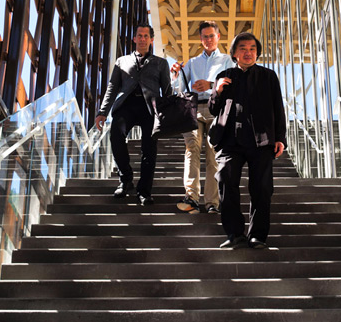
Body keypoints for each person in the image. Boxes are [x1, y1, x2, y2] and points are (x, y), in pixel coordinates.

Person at [208, 33, 286, 249]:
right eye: (243, 48)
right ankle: (234, 234)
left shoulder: (268, 76)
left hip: (261, 140)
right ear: (234, 53)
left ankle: (257, 236)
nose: (248, 52)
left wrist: (280, 138)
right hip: (229, 140)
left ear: (257, 53)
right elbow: (214, 109)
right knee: (225, 179)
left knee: (261, 187)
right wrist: (217, 91)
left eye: (252, 48)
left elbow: (278, 108)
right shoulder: (224, 75)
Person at [95, 24, 172, 205]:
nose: (143, 39)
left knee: (149, 150)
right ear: (134, 39)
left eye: (146, 36)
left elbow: (167, 90)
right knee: (116, 136)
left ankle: (144, 191)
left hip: (149, 108)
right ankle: (125, 178)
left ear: (151, 40)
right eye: (140, 36)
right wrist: (102, 112)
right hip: (126, 106)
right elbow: (112, 87)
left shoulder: (161, 63)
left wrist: (168, 116)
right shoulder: (122, 61)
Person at [171, 20, 234, 214]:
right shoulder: (193, 62)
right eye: (205, 36)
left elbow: (232, 83)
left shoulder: (226, 60)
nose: (208, 39)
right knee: (192, 148)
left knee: (213, 154)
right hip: (194, 108)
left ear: (218, 37)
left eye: (211, 35)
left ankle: (212, 202)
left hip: (217, 109)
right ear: (200, 39)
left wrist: (210, 85)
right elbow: (180, 90)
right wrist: (176, 76)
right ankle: (191, 197)